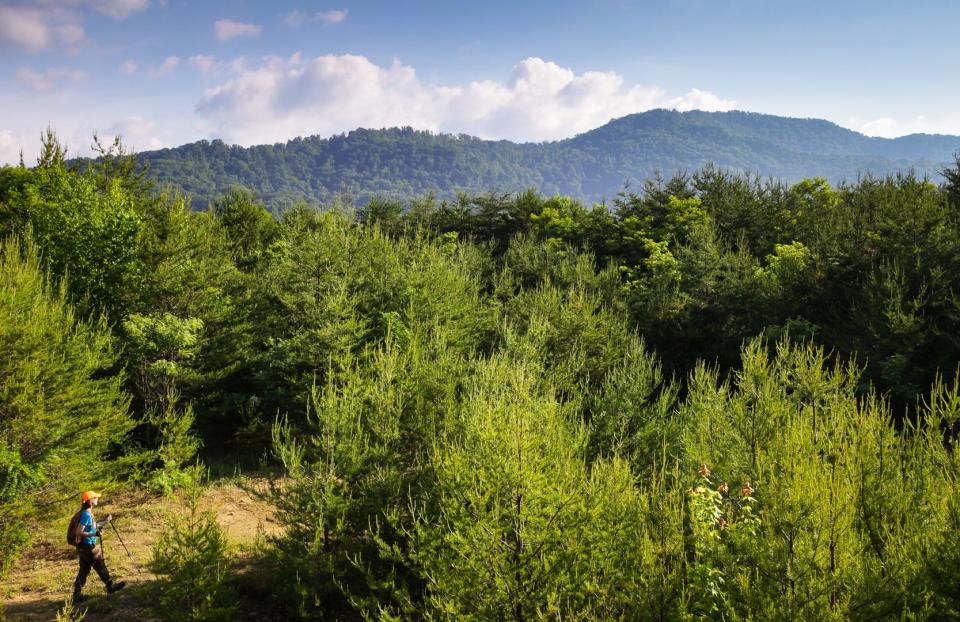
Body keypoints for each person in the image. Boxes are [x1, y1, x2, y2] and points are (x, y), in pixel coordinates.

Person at [72, 491, 126, 603]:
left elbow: (92, 526)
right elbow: (79, 532)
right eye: (95, 497)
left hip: (83, 547)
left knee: (83, 571)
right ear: (90, 501)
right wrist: (95, 534)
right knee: (100, 564)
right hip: (88, 547)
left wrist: (105, 521)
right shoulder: (86, 514)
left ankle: (76, 596)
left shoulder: (86, 513)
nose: (97, 499)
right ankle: (110, 586)